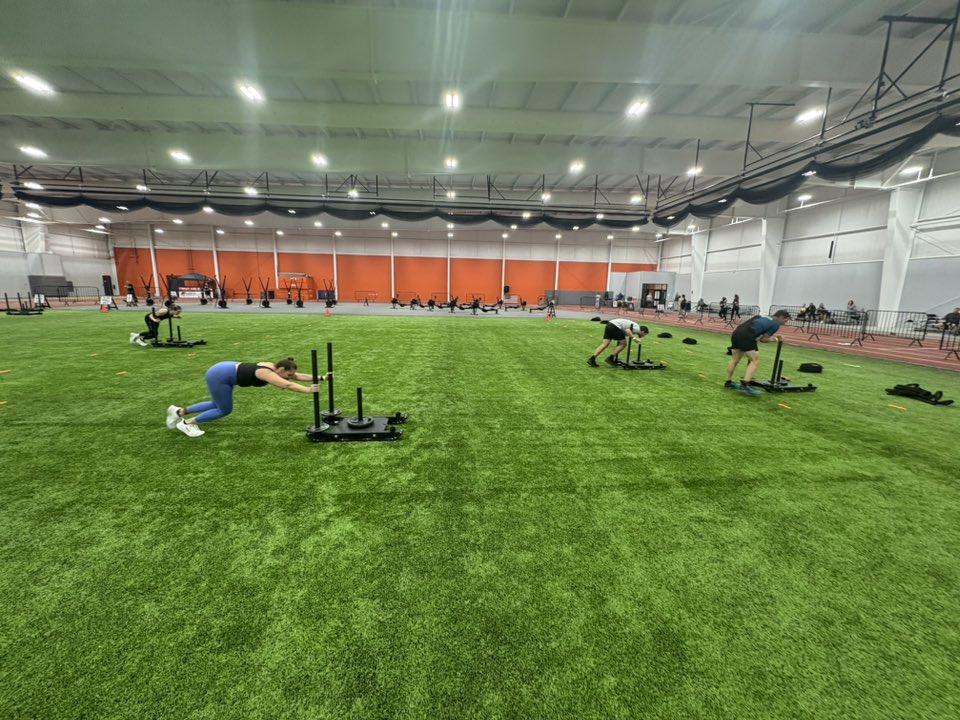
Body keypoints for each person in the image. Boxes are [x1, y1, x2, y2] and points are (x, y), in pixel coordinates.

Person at [166, 358, 332, 437]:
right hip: (220, 375)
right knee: (224, 409)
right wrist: (308, 390)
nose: (291, 376)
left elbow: (297, 376)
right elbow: (287, 385)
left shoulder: (274, 367)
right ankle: (187, 424)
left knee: (216, 404)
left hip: (223, 369)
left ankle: (178, 412)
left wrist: (322, 378)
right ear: (281, 369)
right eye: (288, 374)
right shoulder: (266, 372)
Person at [724, 310, 792, 395]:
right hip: (747, 335)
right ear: (781, 317)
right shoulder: (775, 324)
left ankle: (728, 382)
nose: (785, 323)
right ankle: (745, 385)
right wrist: (776, 339)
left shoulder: (761, 316)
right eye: (785, 320)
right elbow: (763, 339)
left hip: (736, 333)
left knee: (735, 360)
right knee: (755, 361)